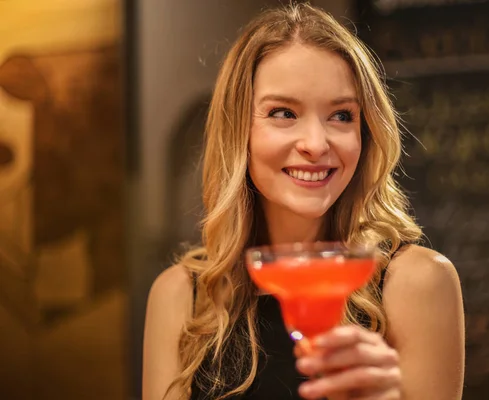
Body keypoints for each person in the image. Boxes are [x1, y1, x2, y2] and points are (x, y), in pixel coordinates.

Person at [143, 3, 465, 400]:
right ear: (237, 131)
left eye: (342, 116)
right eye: (283, 113)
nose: (316, 144)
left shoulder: (418, 283)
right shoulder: (180, 296)